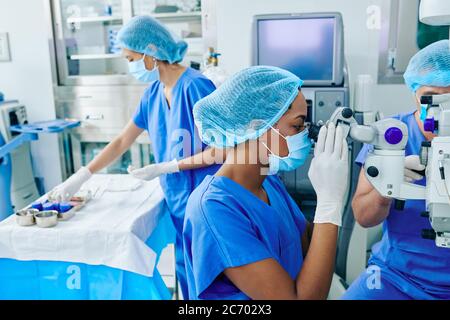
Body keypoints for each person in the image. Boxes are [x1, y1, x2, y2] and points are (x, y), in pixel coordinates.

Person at [49, 16, 222, 298]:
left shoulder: (196, 87)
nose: (130, 66)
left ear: (151, 51)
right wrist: (82, 176)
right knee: (188, 273)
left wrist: (168, 166)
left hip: (206, 198)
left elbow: (223, 150)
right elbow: (121, 141)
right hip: (178, 198)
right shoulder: (152, 93)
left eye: (131, 58)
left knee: (209, 278)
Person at [183, 66, 349, 300]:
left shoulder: (269, 182)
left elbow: (305, 245)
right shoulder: (213, 209)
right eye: (297, 125)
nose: (304, 135)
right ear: (256, 127)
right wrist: (329, 203)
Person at [343, 40, 450, 300]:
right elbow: (364, 217)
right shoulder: (392, 135)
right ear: (415, 93)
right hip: (394, 275)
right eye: (431, 97)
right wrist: (387, 185)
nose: (442, 109)